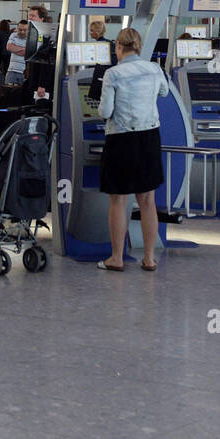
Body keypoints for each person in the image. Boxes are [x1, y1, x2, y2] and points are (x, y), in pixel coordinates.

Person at [97, 27, 168, 272]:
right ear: (138, 46)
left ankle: (116, 258)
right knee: (147, 200)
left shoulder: (113, 74)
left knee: (118, 199)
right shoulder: (154, 69)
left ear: (119, 47)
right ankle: (149, 258)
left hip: (121, 139)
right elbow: (164, 91)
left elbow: (105, 112)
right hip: (148, 137)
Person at [6, 20, 30, 86]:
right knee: (7, 93)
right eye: (20, 29)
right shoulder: (13, 35)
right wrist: (23, 49)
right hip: (11, 70)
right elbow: (9, 47)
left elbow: (27, 53)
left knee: (23, 95)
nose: (22, 32)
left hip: (24, 72)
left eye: (25, 30)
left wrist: (15, 48)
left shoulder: (31, 38)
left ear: (28, 30)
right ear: (17, 28)